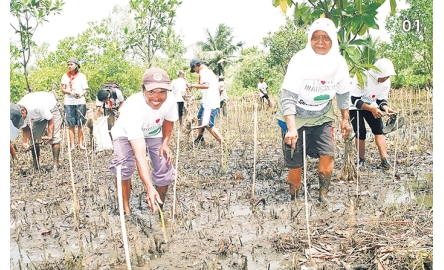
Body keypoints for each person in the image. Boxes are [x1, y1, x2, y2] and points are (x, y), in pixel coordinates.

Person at [276, 18, 351, 204]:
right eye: (315, 37)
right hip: (295, 114)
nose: (320, 42)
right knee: (296, 162)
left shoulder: (339, 63)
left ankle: (323, 195)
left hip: (322, 113)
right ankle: (294, 197)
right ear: (309, 39)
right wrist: (291, 129)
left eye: (326, 37)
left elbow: (343, 93)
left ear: (333, 40)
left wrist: (345, 119)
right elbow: (288, 96)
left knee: (328, 153)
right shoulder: (300, 60)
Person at [108, 67, 178, 214]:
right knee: (124, 165)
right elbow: (140, 154)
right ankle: (125, 208)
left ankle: (158, 207)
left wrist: (165, 142)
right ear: (143, 89)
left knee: (164, 164)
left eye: (162, 92)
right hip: (125, 133)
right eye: (151, 92)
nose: (157, 98)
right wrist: (148, 186)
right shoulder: (132, 107)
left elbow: (168, 121)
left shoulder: (171, 100)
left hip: (153, 131)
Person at [349, 58, 397, 169]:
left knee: (379, 130)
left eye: (388, 76)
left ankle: (384, 160)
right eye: (384, 76)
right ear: (376, 73)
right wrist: (371, 109)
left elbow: (381, 99)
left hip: (372, 105)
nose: (385, 79)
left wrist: (386, 108)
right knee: (360, 131)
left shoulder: (386, 81)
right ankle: (361, 160)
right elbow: (355, 100)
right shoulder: (362, 76)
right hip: (355, 107)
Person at [10, 92, 63, 170]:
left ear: (23, 110)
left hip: (52, 109)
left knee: (54, 138)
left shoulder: (36, 106)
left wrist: (50, 135)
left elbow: (50, 119)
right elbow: (26, 129)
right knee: (34, 139)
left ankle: (56, 164)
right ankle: (35, 165)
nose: (23, 120)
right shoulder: (16, 113)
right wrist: (25, 143)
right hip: (38, 116)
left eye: (22, 118)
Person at [187, 58, 224, 146]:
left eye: (194, 69)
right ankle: (200, 138)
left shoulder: (204, 72)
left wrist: (191, 85)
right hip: (206, 101)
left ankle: (223, 143)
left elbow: (206, 85)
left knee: (208, 125)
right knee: (199, 118)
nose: (195, 71)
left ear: (195, 65)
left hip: (210, 102)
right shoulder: (206, 71)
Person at [61, 58, 89, 150]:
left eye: (71, 64)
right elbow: (63, 89)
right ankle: (72, 145)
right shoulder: (65, 76)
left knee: (80, 123)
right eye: (68, 64)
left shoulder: (82, 76)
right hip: (69, 102)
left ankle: (80, 144)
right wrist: (70, 92)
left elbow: (85, 89)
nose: (69, 66)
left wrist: (80, 94)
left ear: (76, 65)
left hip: (80, 102)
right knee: (71, 124)